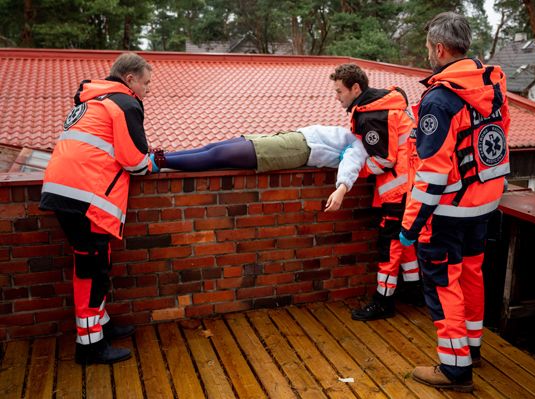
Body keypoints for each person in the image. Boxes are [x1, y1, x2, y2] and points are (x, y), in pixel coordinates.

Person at [400, 12, 511, 392]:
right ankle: (473, 349)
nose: (429, 54)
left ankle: (454, 369)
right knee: (472, 275)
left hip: (446, 213)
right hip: (484, 206)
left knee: (445, 285)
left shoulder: (440, 99)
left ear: (439, 48)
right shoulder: (491, 86)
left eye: (429, 48)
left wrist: (409, 228)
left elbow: (431, 173)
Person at [40, 52, 156, 365]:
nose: (147, 90)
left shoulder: (92, 101)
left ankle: (100, 326)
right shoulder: (125, 102)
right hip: (85, 196)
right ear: (130, 79)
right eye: (145, 83)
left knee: (95, 262)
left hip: (66, 190)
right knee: (92, 269)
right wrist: (152, 162)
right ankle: (89, 346)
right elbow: (135, 161)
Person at [329, 63, 422, 321]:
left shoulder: (372, 115)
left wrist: (353, 172)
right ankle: (414, 289)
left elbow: (383, 160)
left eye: (339, 92)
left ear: (355, 88)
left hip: (398, 190)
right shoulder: (385, 105)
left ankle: (383, 301)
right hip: (412, 187)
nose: (336, 97)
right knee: (405, 240)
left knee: (389, 247)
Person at [150, 125, 368, 212]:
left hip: (299, 147)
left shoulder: (367, 141)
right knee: (215, 146)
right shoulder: (362, 127)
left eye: (340, 91)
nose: (337, 97)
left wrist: (342, 187)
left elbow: (353, 160)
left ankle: (159, 162)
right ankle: (159, 157)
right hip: (294, 136)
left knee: (220, 156)